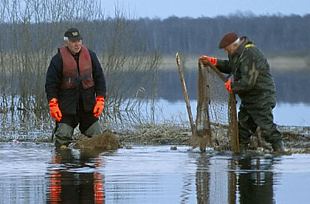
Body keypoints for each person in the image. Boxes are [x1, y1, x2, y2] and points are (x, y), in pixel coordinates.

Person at [199, 32, 285, 153]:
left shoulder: (250, 53)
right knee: (243, 128)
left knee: (266, 125)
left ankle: (280, 150)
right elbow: (231, 66)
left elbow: (248, 83)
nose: (225, 51)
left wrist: (232, 86)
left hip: (261, 96)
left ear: (234, 45)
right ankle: (241, 153)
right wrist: (214, 62)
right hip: (249, 99)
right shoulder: (236, 54)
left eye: (226, 48)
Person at [45, 27, 106, 148]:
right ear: (66, 42)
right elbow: (51, 84)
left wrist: (100, 99)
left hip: (88, 108)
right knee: (62, 138)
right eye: (73, 41)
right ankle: (61, 160)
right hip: (67, 109)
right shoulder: (57, 60)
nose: (77, 44)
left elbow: (100, 79)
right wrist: (53, 104)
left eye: (79, 40)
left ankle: (92, 163)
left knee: (98, 138)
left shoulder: (91, 56)